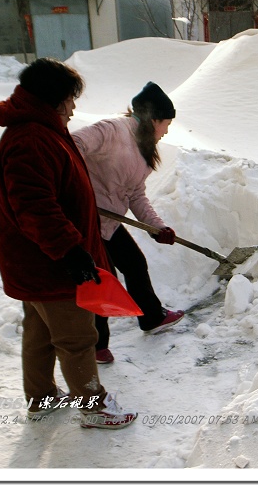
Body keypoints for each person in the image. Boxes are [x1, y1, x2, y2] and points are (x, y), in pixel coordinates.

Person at [0, 57, 136, 429]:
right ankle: (93, 407)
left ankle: (41, 399)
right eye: (71, 99)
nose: (74, 107)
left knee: (39, 333)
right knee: (76, 339)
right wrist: (71, 251)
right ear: (55, 99)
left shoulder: (39, 132)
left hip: (36, 264)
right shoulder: (31, 139)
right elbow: (36, 208)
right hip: (50, 265)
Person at [73, 81, 185, 364]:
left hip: (109, 220)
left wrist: (157, 227)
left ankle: (151, 317)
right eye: (166, 124)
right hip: (86, 220)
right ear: (154, 119)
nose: (167, 131)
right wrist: (77, 189)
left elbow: (135, 194)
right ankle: (96, 345)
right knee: (100, 279)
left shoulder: (143, 148)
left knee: (134, 263)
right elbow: (71, 146)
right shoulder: (112, 130)